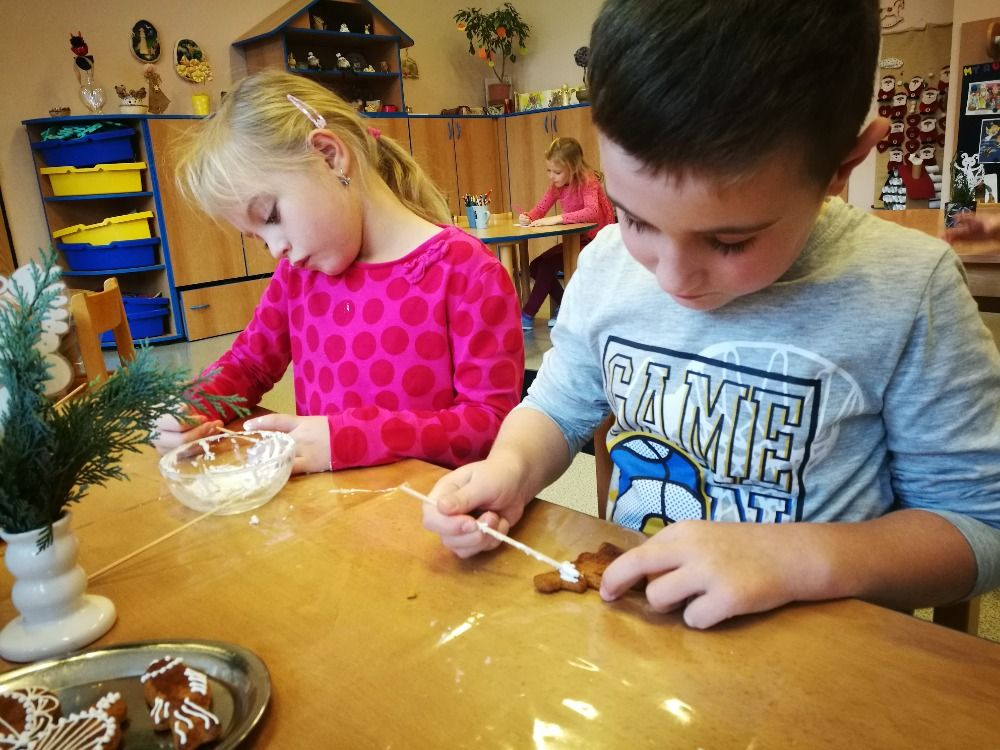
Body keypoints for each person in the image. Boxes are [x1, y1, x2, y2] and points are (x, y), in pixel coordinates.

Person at [422, 0, 1000, 629]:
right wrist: (510, 467)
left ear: (841, 165)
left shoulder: (908, 289)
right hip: (640, 641)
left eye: (730, 241)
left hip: (821, 662)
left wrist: (798, 559)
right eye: (635, 218)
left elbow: (980, 526)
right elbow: (557, 410)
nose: (673, 278)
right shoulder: (608, 263)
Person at [153, 70, 524, 473]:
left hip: (431, 506)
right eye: (258, 238)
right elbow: (249, 364)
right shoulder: (297, 276)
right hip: (329, 506)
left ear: (329, 156)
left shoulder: (467, 272)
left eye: (271, 216)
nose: (276, 249)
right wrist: (193, 407)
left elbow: (488, 425)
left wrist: (350, 439)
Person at [517, 137, 614, 330]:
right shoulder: (557, 185)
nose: (552, 176)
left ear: (573, 168)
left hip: (597, 241)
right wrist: (528, 217)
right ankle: (566, 305)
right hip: (578, 240)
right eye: (549, 171)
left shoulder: (588, 181)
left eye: (557, 172)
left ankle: (527, 315)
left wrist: (558, 218)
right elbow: (541, 208)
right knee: (535, 266)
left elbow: (592, 212)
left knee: (547, 265)